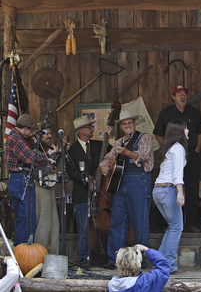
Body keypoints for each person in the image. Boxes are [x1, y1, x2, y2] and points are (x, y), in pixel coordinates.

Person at [100, 110, 154, 270]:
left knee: (140, 223)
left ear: (134, 123)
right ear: (121, 126)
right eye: (124, 124)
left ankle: (140, 261)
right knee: (117, 222)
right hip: (120, 184)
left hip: (139, 181)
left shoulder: (144, 138)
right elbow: (106, 160)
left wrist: (127, 152)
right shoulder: (119, 142)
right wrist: (104, 168)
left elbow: (144, 156)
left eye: (130, 122)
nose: (127, 125)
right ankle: (114, 260)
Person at [154, 84, 201, 233]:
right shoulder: (166, 113)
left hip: (191, 154)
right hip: (173, 155)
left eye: (184, 94)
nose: (182, 96)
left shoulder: (193, 112)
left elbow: (200, 132)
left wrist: (196, 149)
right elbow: (158, 134)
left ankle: (191, 223)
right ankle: (169, 224)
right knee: (171, 187)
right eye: (179, 94)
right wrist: (167, 147)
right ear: (173, 97)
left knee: (192, 188)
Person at [6, 114, 51, 246]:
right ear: (25, 128)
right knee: (24, 218)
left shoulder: (19, 138)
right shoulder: (16, 139)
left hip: (22, 178)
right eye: (31, 131)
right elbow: (30, 157)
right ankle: (22, 251)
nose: (32, 134)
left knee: (29, 217)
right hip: (19, 179)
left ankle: (26, 247)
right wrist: (47, 159)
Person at [153, 119, 188, 274]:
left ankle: (159, 261)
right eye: (186, 128)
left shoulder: (168, 148)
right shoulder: (178, 148)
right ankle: (169, 265)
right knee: (177, 227)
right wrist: (180, 192)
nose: (188, 131)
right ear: (180, 131)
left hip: (158, 190)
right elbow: (177, 174)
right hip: (168, 189)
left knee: (172, 226)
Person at [66, 116, 102, 264]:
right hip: (81, 193)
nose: (91, 129)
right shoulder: (72, 149)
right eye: (88, 127)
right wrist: (87, 180)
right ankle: (84, 257)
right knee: (83, 226)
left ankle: (100, 254)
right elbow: (72, 172)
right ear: (81, 130)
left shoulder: (98, 145)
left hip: (99, 194)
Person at [32, 123, 64, 255]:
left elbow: (53, 168)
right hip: (40, 189)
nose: (50, 136)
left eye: (51, 133)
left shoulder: (46, 150)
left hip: (50, 189)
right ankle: (39, 256)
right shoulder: (35, 152)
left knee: (54, 224)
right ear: (39, 135)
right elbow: (35, 172)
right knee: (44, 224)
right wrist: (50, 160)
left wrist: (58, 154)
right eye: (47, 133)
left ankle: (52, 257)